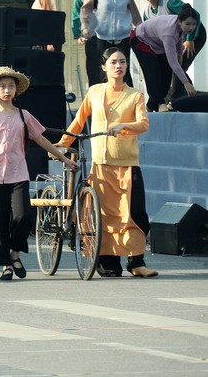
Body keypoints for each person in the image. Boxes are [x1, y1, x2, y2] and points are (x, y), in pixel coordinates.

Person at [0, 67, 77, 280]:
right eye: (2, 86)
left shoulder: (24, 116)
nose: (7, 90)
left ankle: (15, 254)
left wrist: (64, 158)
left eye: (11, 86)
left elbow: (41, 139)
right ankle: (5, 265)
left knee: (22, 216)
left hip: (18, 174)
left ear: (16, 90)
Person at [57, 48, 156, 277]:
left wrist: (124, 126)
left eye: (122, 61)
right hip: (101, 164)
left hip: (128, 164)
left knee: (134, 212)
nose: (118, 66)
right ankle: (108, 263)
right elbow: (79, 121)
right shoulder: (94, 92)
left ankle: (136, 262)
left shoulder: (135, 95)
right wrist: (62, 144)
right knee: (102, 215)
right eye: (113, 62)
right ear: (104, 67)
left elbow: (143, 124)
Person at [79, 0, 142, 86]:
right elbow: (85, 9)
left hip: (123, 38)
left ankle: (126, 101)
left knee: (123, 72)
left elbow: (135, 15)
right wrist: (85, 27)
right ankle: (101, 101)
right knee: (101, 73)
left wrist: (142, 30)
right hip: (102, 38)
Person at [141, 0, 205, 102]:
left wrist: (189, 39)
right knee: (175, 66)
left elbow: (195, 14)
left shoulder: (170, 2)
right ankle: (192, 96)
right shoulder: (147, 11)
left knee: (179, 66)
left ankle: (175, 100)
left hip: (194, 34)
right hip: (176, 40)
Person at [130, 5, 200, 111]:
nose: (191, 27)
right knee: (154, 70)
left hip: (157, 43)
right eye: (188, 24)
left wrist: (180, 55)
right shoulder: (169, 32)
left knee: (167, 72)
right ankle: (160, 103)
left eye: (194, 24)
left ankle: (151, 105)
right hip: (141, 39)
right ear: (179, 21)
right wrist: (186, 83)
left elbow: (180, 39)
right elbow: (173, 61)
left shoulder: (180, 27)